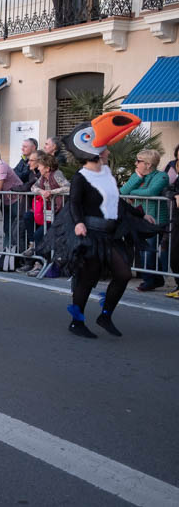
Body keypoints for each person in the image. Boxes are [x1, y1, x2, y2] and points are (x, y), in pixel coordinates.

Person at [40, 111, 158, 339]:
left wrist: (140, 215)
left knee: (123, 274)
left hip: (108, 236)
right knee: (86, 279)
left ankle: (105, 315)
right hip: (90, 235)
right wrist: (78, 223)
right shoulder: (81, 177)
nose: (108, 152)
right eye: (105, 149)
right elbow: (74, 203)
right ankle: (76, 322)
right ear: (96, 153)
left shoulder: (106, 176)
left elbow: (116, 202)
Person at [120, 149, 170, 292]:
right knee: (144, 250)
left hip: (155, 220)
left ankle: (150, 280)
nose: (136, 164)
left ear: (148, 164)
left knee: (148, 251)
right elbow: (123, 192)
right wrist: (137, 178)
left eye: (139, 161)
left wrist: (133, 192)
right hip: (140, 219)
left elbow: (151, 192)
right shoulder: (137, 175)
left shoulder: (162, 176)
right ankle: (156, 279)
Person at [21, 153, 71, 276]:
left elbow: (68, 187)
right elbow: (33, 187)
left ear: (47, 168)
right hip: (47, 211)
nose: (38, 168)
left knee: (39, 234)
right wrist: (42, 191)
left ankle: (39, 264)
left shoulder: (57, 174)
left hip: (59, 213)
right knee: (28, 217)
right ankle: (32, 245)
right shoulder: (43, 177)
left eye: (40, 166)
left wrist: (52, 192)